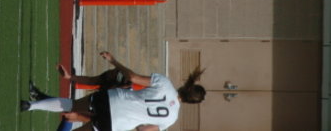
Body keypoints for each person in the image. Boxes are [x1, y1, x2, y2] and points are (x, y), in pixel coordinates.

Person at [21, 51, 206, 131]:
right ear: (191, 102)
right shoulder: (171, 119)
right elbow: (143, 130)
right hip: (117, 123)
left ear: (186, 86)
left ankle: (31, 105)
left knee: (72, 106)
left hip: (114, 99)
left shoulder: (165, 83)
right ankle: (34, 103)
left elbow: (133, 78)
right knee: (74, 116)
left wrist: (114, 61)